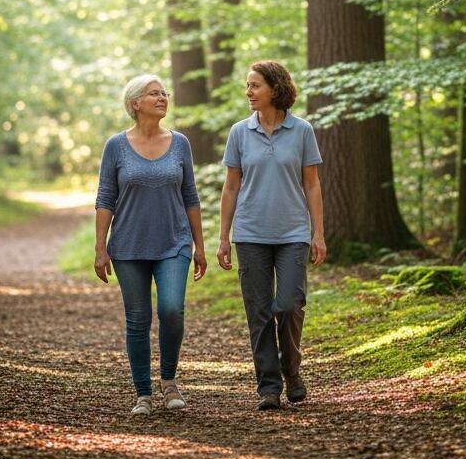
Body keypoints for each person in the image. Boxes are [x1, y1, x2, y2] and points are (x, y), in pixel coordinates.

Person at [94, 74, 207, 416]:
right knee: (138, 318)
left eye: (164, 93)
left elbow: (191, 196)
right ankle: (143, 392)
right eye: (153, 94)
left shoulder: (180, 143)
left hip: (174, 241)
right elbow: (105, 198)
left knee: (171, 309)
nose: (162, 98)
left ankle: (169, 379)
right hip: (128, 245)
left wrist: (200, 246)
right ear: (135, 103)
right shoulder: (116, 146)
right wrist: (101, 247)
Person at [217, 60, 326, 410]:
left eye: (254, 86)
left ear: (275, 89)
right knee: (259, 310)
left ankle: (291, 370)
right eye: (247, 86)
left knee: (290, 304)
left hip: (293, 231)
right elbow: (231, 187)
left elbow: (312, 183)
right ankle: (268, 385)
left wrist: (318, 233)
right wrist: (223, 237)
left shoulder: (302, 130)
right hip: (250, 234)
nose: (248, 92)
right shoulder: (239, 132)